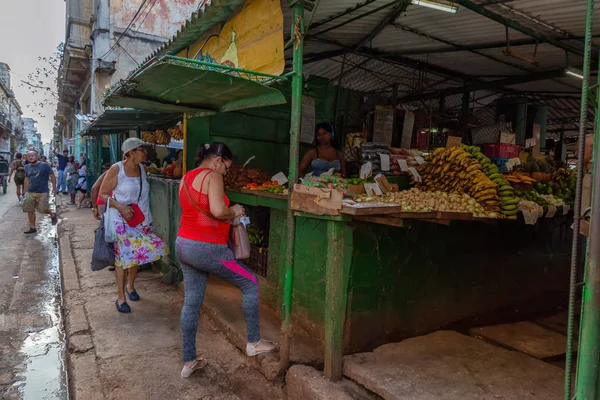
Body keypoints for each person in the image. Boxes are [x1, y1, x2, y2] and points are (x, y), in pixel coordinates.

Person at [177, 142, 275, 378]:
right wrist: (236, 211)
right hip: (207, 248)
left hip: (183, 244)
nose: (226, 173)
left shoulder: (186, 178)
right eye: (226, 168)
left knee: (191, 301)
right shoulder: (213, 176)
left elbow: (199, 209)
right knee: (250, 283)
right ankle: (253, 342)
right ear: (218, 160)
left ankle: (189, 361)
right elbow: (219, 210)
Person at [99, 138, 168, 313]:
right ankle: (120, 297)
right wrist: (121, 207)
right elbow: (103, 194)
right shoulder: (117, 169)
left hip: (141, 220)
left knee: (137, 255)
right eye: (141, 149)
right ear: (130, 152)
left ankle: (131, 286)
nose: (144, 153)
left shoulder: (142, 169)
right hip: (121, 221)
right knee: (122, 259)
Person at [22, 150, 58, 234]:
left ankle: (52, 214)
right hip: (30, 192)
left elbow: (52, 176)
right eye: (29, 156)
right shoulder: (26, 167)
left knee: (42, 209)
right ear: (27, 158)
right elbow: (26, 179)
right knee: (29, 209)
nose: (31, 157)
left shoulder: (45, 165)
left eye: (33, 155)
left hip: (43, 192)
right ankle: (32, 227)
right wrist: (24, 190)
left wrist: (54, 188)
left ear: (37, 156)